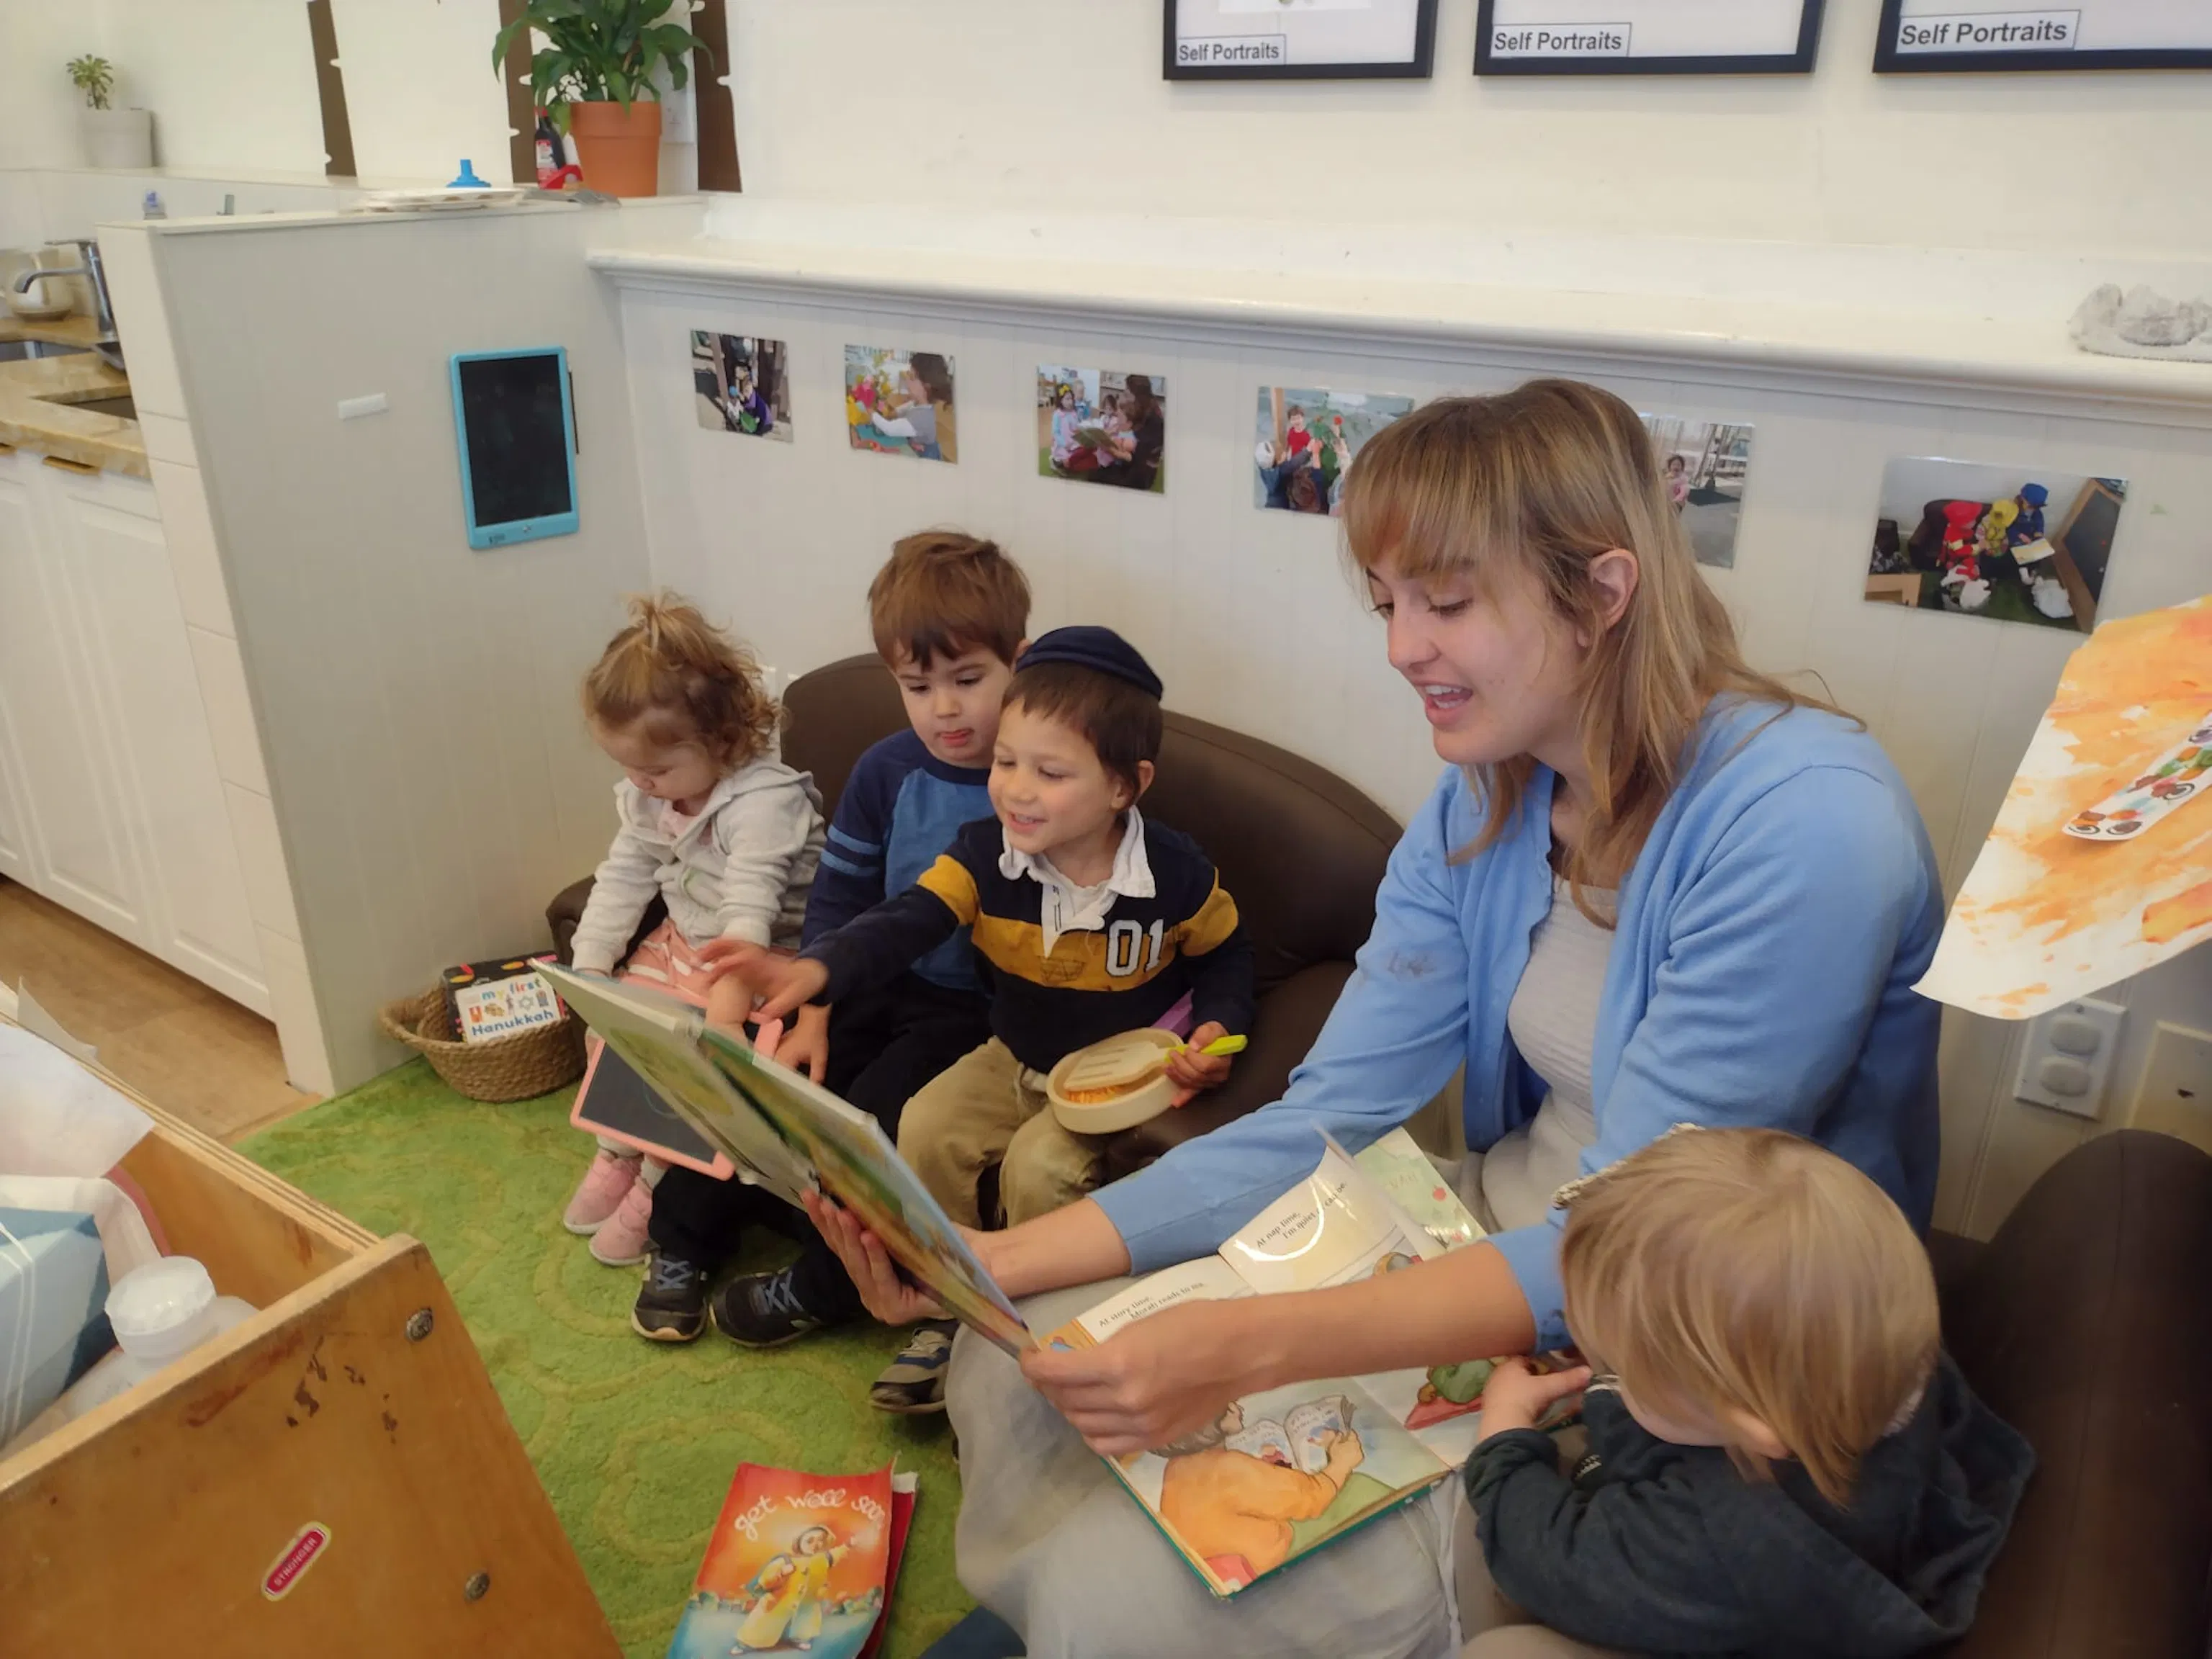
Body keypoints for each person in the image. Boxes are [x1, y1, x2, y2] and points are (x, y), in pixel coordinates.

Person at [811, 379, 1946, 1658]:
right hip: (1475, 1238)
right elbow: (1329, 1115)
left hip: (1687, 1360)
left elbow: (1623, 1246)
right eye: (1388, 602)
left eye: (1445, 603)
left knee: (1134, 1579)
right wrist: (987, 1260)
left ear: (1601, 592)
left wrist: (1246, 1344)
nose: (1402, 647)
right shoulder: (1489, 796)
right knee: (1023, 1359)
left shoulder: (1806, 829)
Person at [719, 626, 1256, 1413]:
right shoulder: (981, 855)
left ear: (1124, 786)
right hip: (1012, 1052)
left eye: (1050, 772)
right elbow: (906, 920)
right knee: (923, 1128)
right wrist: (817, 969)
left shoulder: (1175, 875)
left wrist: (1217, 1029)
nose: (1017, 791)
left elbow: (1229, 956)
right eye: (1006, 763)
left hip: (1108, 1080)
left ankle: (1043, 1338)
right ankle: (953, 1314)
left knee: (1038, 1171)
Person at [1460, 1127, 2032, 1657]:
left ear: (1753, 1425)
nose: (1606, 1366)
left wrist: (1504, 1436)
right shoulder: (1874, 1352)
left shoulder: (1719, 1544)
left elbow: (1552, 1560)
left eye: (1624, 1368)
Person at [694, 531, 1033, 1349]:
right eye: (918, 687)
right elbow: (840, 898)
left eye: (967, 681)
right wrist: (814, 1010)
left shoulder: (1036, 777)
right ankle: (687, 1232)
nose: (944, 709)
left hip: (972, 1016)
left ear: (1018, 663)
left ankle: (828, 1287)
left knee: (875, 1117)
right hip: (869, 979)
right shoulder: (886, 770)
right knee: (766, 1076)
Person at [559, 594, 826, 1283]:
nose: (642, 784)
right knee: (622, 1032)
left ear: (722, 740)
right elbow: (623, 875)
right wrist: (589, 969)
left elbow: (749, 914)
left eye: (656, 770)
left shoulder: (765, 803)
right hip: (686, 940)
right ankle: (618, 1151)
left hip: (762, 958)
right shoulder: (649, 794)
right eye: (628, 768)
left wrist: (726, 1009)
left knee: (696, 1065)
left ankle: (657, 1181)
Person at [1093, 374, 1165, 493]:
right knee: (1099, 473)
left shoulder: (1153, 420)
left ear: (1137, 396)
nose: (1124, 396)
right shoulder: (1142, 408)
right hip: (1133, 461)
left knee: (1098, 477)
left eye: (1127, 394)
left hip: (1141, 473)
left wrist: (1112, 450)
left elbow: (1135, 457)